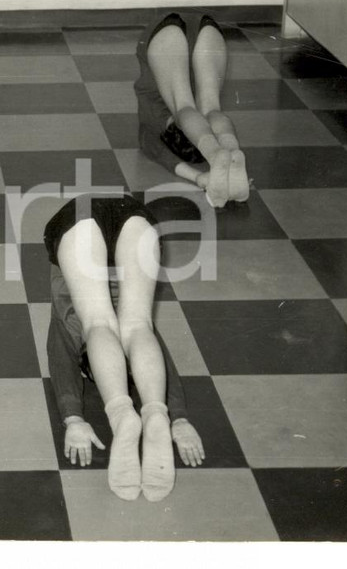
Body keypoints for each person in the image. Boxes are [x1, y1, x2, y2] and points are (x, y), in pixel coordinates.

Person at [44, 194, 205, 502]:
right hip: (129, 213)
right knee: (137, 325)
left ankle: (123, 414)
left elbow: (61, 364)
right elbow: (63, 361)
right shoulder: (69, 330)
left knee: (98, 325)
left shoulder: (71, 330)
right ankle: (151, 412)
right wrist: (178, 417)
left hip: (86, 219)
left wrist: (74, 419)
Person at [135, 12, 249, 208]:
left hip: (200, 30)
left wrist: (199, 177)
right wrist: (198, 176)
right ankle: (225, 152)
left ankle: (223, 152)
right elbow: (161, 154)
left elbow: (164, 156)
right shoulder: (153, 126)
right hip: (173, 28)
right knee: (199, 108)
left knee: (199, 108)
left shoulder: (153, 130)